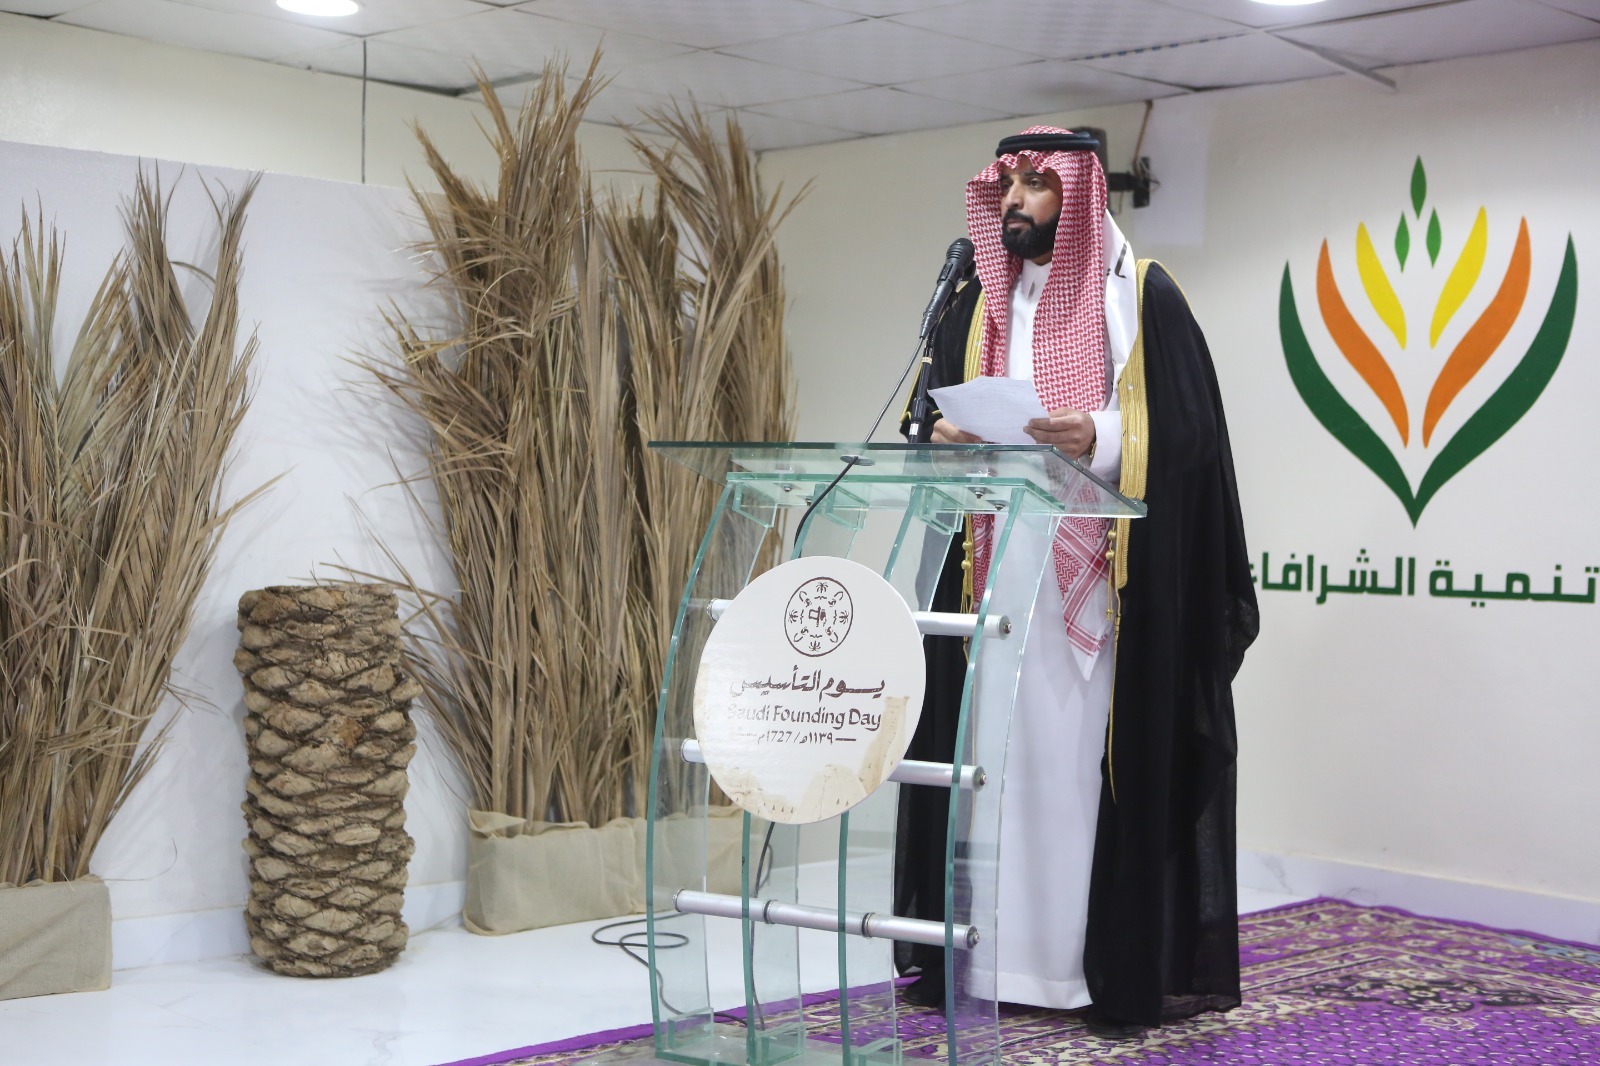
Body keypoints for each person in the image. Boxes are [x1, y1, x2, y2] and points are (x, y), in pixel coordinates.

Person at [895, 126, 1259, 1039]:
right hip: (989, 569)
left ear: (1081, 194)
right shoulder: (975, 299)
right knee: (990, 767)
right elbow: (925, 415)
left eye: (1036, 184)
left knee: (1070, 774)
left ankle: (1073, 971)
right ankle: (984, 962)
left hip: (1094, 583)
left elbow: (1192, 437)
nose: (1015, 200)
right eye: (1007, 184)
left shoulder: (1139, 295)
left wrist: (1100, 435)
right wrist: (938, 436)